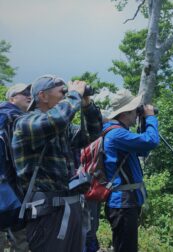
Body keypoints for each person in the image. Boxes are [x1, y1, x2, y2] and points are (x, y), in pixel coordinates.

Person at [11, 75, 102, 252]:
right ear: (43, 96)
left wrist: (87, 106)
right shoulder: (25, 123)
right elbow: (56, 120)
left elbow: (94, 133)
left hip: (68, 208)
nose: (65, 93)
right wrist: (74, 94)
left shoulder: (62, 129)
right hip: (46, 214)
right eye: (61, 90)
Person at [103, 89, 159, 252]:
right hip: (123, 203)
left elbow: (143, 150)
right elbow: (152, 141)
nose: (137, 113)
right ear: (125, 113)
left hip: (126, 202)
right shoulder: (117, 134)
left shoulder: (120, 132)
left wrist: (143, 123)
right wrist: (150, 117)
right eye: (135, 111)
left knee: (124, 247)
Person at [0, 83, 31, 252]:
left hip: (6, 192)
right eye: (24, 92)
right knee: (22, 242)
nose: (29, 95)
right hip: (13, 193)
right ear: (12, 98)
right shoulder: (15, 119)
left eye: (30, 92)